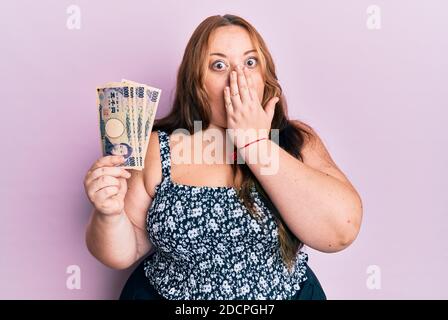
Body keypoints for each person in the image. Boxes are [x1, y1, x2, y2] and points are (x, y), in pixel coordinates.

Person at [83, 14, 363, 300]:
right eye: (219, 65)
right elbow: (122, 253)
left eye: (250, 62)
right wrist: (108, 214)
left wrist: (255, 143)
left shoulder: (297, 140)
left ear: (265, 78)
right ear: (196, 83)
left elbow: (340, 233)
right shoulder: (158, 147)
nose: (237, 77)